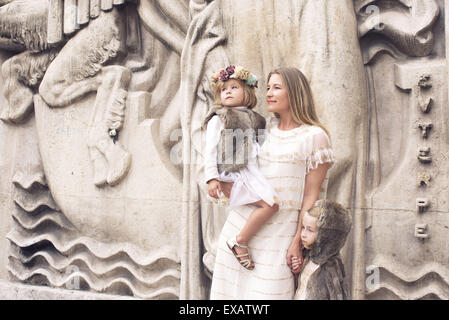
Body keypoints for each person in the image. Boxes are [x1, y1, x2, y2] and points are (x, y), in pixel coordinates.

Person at [210, 67, 335, 299]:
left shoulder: (315, 137)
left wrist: (297, 241)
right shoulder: (262, 128)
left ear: (296, 93)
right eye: (267, 87)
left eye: (277, 87)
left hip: (279, 238)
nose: (269, 93)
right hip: (238, 231)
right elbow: (234, 163)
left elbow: (311, 197)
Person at [203, 65, 279, 270]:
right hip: (233, 173)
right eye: (223, 89)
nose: (227, 91)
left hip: (253, 171)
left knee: (270, 204)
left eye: (234, 87)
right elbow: (209, 150)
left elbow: (262, 148)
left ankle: (250, 241)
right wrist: (212, 178)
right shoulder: (219, 118)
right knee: (270, 205)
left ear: (247, 92)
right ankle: (240, 241)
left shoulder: (258, 119)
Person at [291, 199, 351, 300]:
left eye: (310, 230)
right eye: (303, 227)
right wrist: (297, 271)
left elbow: (337, 296)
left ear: (325, 236)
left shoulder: (330, 267)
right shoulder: (307, 256)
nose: (303, 234)